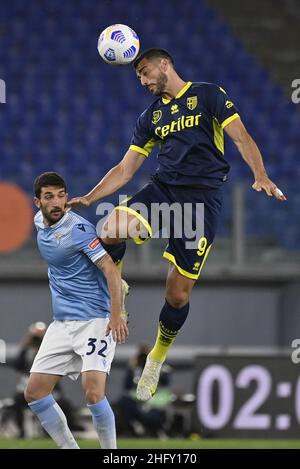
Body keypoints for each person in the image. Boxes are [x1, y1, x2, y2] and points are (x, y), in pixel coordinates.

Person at [67, 48, 286, 402]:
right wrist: (90, 198)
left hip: (201, 203)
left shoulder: (207, 95)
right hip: (163, 192)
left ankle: (156, 356)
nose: (141, 79)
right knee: (110, 228)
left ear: (163, 64)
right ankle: (117, 292)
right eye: (137, 75)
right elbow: (125, 169)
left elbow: (241, 136)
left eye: (143, 71)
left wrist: (260, 175)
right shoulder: (151, 117)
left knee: (177, 294)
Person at [24, 172, 129, 449]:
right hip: (62, 323)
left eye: (61, 195)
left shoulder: (78, 230)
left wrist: (116, 315)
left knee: (93, 394)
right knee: (34, 393)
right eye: (49, 197)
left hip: (95, 320)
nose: (57, 202)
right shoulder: (39, 222)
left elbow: (109, 269)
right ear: (38, 202)